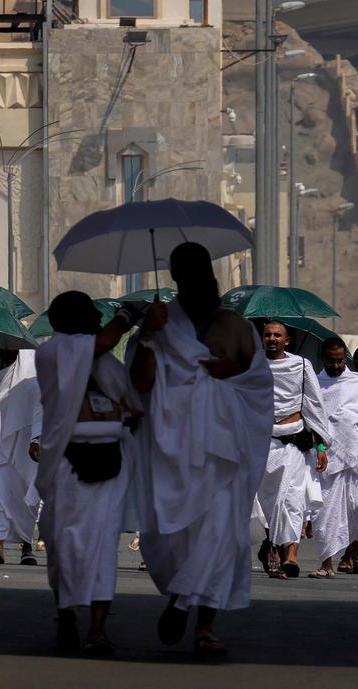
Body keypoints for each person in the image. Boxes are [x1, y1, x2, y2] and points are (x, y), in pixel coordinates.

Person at [129, 243, 273, 657]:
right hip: (172, 447)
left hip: (225, 448)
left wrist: (231, 371)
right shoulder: (160, 323)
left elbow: (259, 383)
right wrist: (148, 334)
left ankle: (202, 623)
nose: (198, 281)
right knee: (174, 539)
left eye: (202, 272)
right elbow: (140, 384)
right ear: (176, 278)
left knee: (223, 533)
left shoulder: (235, 324)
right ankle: (182, 593)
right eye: (188, 274)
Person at [35, 292, 139, 655]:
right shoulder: (54, 352)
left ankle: (97, 630)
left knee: (103, 547)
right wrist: (127, 316)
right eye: (92, 315)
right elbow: (104, 341)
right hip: (68, 462)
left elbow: (134, 402)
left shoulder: (107, 364)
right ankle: (67, 613)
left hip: (111, 463)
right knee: (65, 545)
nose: (98, 321)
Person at [254, 321, 331, 580]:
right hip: (262, 442)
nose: (272, 339)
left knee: (293, 498)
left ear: (287, 340)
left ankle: (292, 556)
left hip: (294, 441)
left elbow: (314, 405)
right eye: (268, 335)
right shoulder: (252, 365)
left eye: (277, 335)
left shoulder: (301, 365)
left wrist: (320, 445)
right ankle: (273, 547)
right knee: (269, 503)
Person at [310, 338, 358, 578]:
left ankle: (357, 552)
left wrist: (345, 419)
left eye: (340, 361)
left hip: (355, 459)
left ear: (346, 359)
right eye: (331, 361)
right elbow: (312, 418)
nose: (336, 365)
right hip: (326, 459)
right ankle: (326, 563)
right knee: (325, 513)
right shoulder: (314, 383)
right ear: (323, 359)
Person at [0, 346, 42, 565]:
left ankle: (27, 546)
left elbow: (40, 402)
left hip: (24, 438)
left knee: (24, 495)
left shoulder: (32, 364)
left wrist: (37, 438)